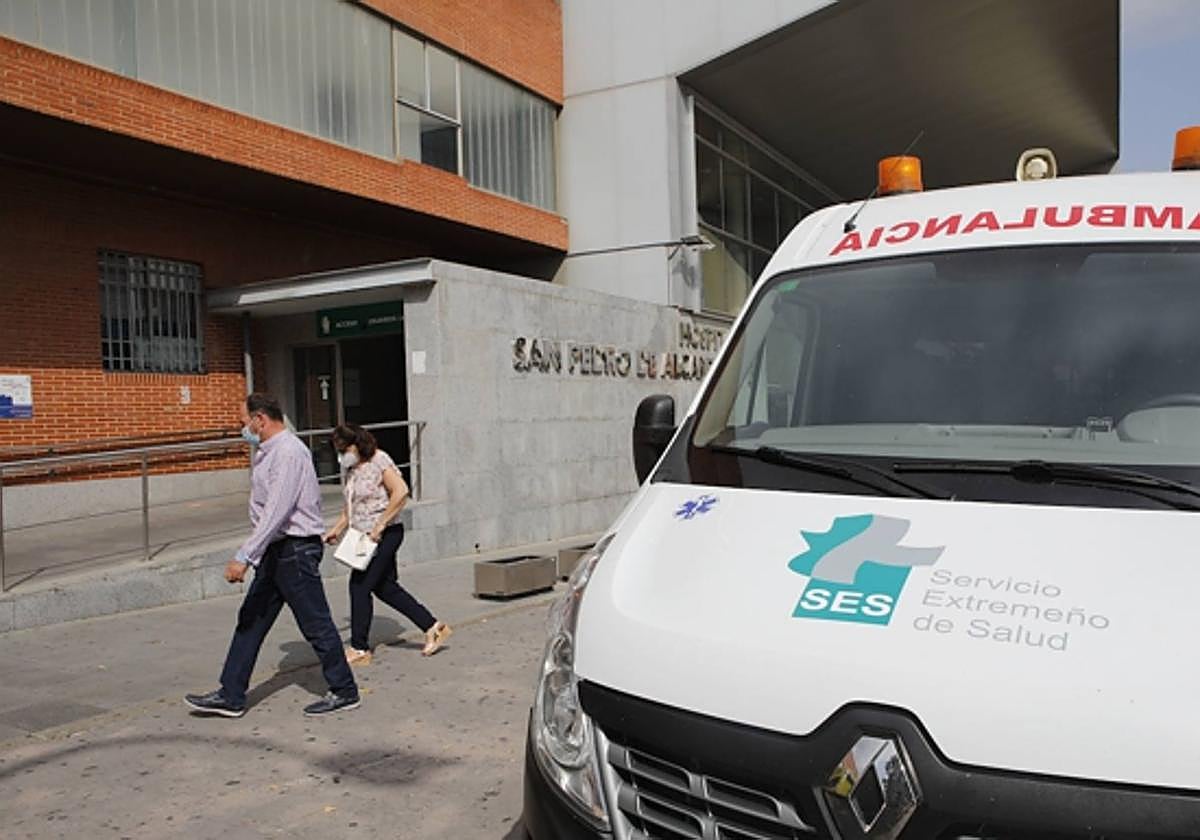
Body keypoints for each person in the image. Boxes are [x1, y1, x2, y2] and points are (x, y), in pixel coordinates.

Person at [185, 393, 360, 718]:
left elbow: (277, 510)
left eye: (243, 422)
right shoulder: (270, 452)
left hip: (294, 550)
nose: (242, 429)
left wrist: (245, 555)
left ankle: (345, 690)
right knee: (251, 619)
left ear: (260, 419)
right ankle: (231, 694)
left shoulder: (288, 452)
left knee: (315, 623)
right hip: (277, 551)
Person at [324, 423, 451, 665]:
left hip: (384, 535)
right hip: (364, 537)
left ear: (357, 444)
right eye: (338, 450)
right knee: (385, 588)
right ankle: (433, 627)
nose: (342, 455)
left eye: (345, 449)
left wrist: (380, 525)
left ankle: (360, 648)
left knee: (359, 586)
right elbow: (351, 506)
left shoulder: (379, 460)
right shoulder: (352, 470)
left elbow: (400, 491)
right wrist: (336, 530)